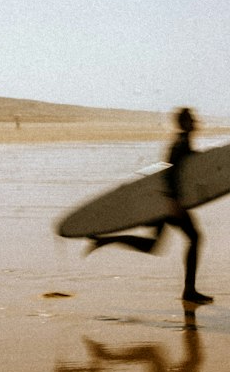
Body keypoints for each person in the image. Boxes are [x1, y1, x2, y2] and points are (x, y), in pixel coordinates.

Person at [86, 107, 213, 304]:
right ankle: (189, 291)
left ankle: (104, 240)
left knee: (153, 246)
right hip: (169, 203)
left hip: (163, 201)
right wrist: (173, 202)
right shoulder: (180, 143)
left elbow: (183, 168)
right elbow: (169, 173)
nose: (195, 122)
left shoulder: (182, 142)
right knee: (195, 238)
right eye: (191, 119)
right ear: (184, 123)